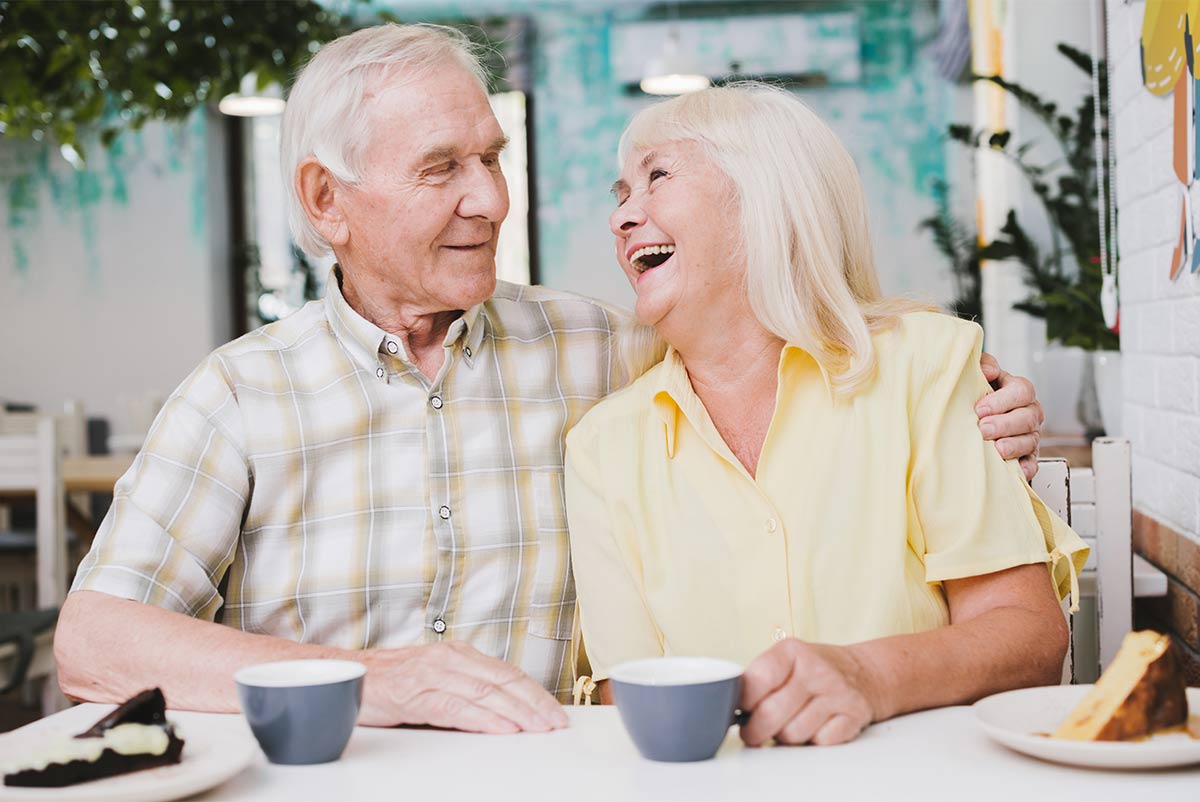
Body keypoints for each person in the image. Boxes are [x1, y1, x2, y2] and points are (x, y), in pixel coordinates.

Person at [55, 25, 1046, 736]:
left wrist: (969, 382)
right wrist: (378, 680)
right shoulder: (240, 397)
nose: (490, 198)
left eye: (492, 156)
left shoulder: (602, 352)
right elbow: (94, 642)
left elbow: (769, 325)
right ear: (328, 200)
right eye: (442, 167)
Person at [564, 82, 1088, 747]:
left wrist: (869, 676)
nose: (621, 217)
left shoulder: (926, 366)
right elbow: (625, 694)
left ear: (766, 198)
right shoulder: (604, 447)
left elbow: (1027, 635)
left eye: (656, 178)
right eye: (619, 196)